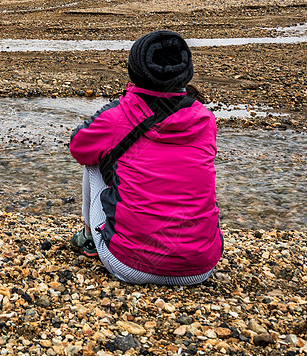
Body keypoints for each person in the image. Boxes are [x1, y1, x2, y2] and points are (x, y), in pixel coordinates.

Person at [68, 30, 222, 285]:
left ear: (134, 71)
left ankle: (89, 239)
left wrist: (119, 107)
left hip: (130, 264)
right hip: (201, 267)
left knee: (93, 162)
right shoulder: (205, 119)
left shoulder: (118, 116)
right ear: (185, 73)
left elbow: (78, 147)